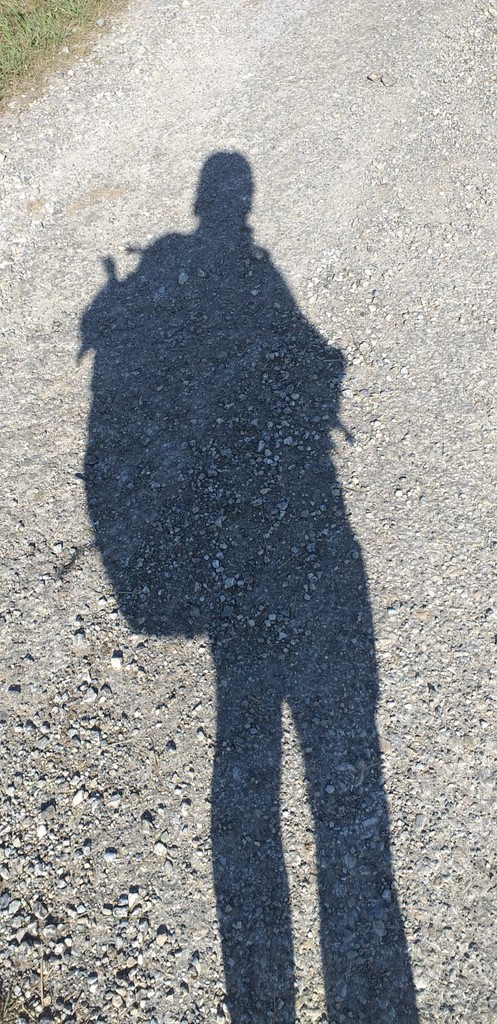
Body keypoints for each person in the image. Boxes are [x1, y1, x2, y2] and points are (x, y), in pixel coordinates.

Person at [80, 152, 418, 1023]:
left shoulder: (200, 271)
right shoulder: (249, 266)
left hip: (210, 539)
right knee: (336, 772)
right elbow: (301, 346)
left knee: (247, 758)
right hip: (279, 519)